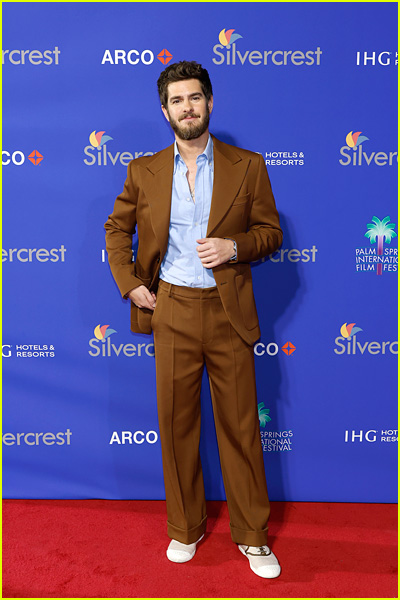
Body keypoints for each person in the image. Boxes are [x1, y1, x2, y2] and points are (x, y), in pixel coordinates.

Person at [104, 61, 283, 579]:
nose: (188, 107)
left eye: (195, 98)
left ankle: (252, 537)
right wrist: (130, 282)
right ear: (165, 111)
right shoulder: (144, 170)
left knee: (241, 428)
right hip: (173, 309)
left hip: (228, 312)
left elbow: (270, 234)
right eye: (177, 101)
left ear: (210, 103)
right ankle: (186, 529)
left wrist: (235, 246)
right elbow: (117, 230)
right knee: (177, 425)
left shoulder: (248, 165)